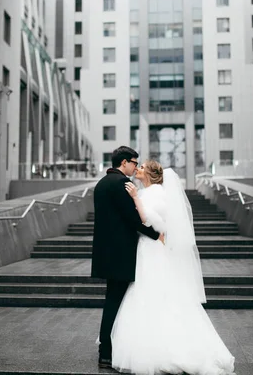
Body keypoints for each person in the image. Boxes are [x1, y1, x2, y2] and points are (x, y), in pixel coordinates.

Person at [111, 160, 235, 375]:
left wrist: (134, 199)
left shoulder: (155, 193)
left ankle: (162, 350)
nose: (137, 169)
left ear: (150, 174)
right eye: (137, 166)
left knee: (153, 292)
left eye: (142, 167)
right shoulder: (149, 191)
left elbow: (147, 220)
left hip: (152, 249)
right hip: (147, 247)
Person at [91, 147, 165, 369]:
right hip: (120, 253)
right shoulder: (120, 183)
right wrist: (156, 235)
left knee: (112, 300)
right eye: (134, 162)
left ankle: (107, 348)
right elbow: (132, 219)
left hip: (106, 252)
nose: (136, 166)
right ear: (124, 163)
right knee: (114, 302)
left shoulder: (102, 184)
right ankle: (106, 352)